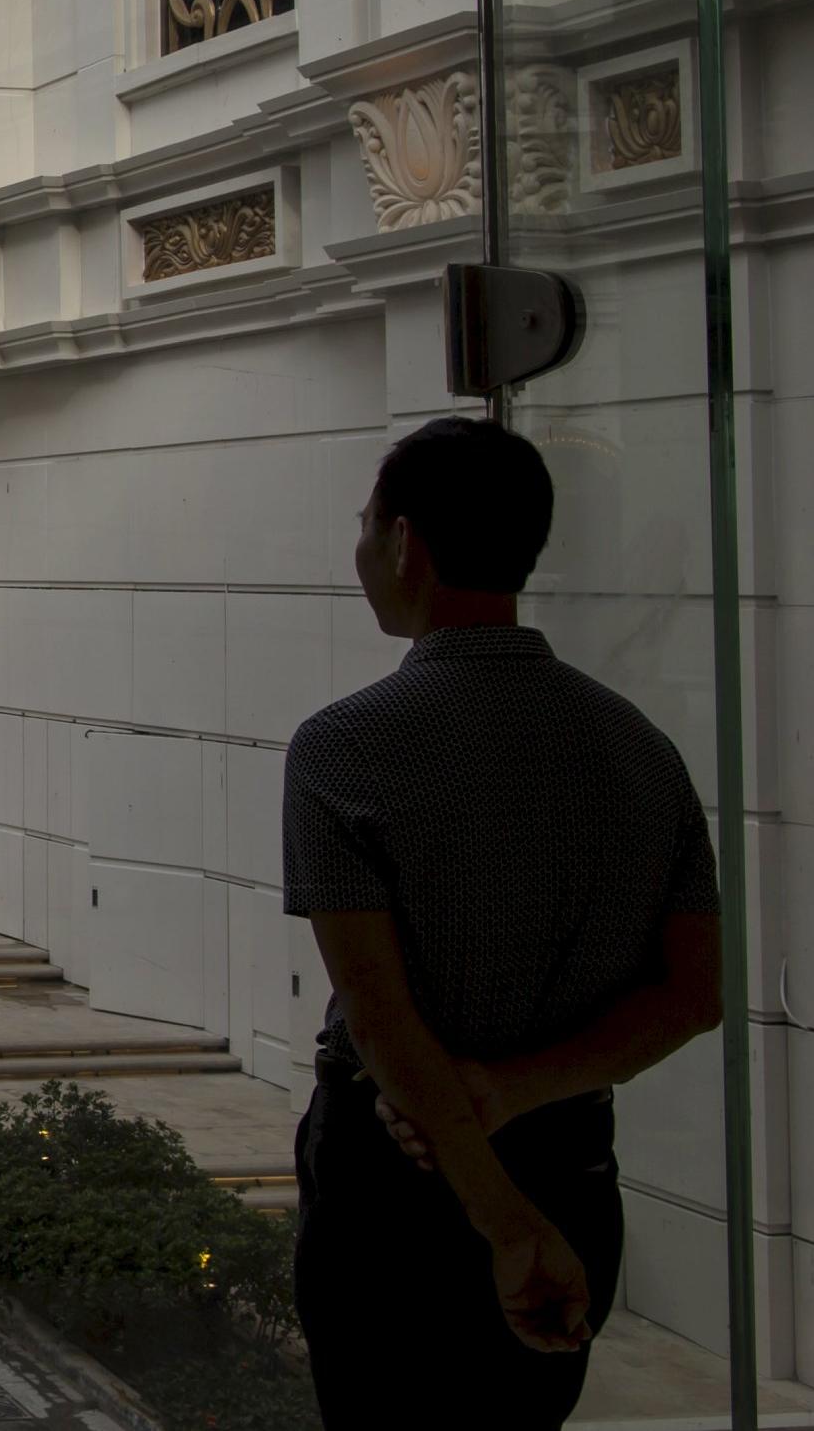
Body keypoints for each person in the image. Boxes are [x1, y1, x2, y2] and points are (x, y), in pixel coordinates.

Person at [285, 418, 717, 1430]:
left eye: (365, 527)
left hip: (394, 1189)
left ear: (406, 545)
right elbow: (695, 995)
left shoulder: (344, 749)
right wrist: (513, 1096)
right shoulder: (640, 749)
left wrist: (498, 1215)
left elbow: (384, 1020)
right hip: (571, 1166)